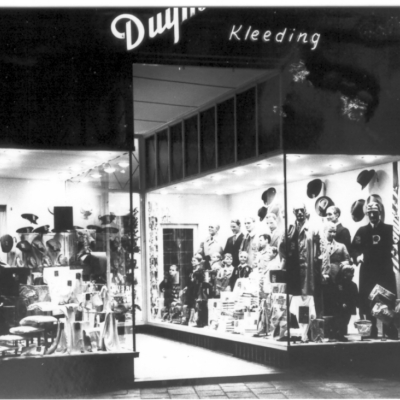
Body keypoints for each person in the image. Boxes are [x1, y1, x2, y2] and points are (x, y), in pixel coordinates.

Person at [351, 202, 397, 339]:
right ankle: (371, 330)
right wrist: (357, 256)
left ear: (380, 213)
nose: (372, 215)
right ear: (366, 214)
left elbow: (397, 246)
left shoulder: (390, 229)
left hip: (385, 270)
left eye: (375, 213)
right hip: (368, 272)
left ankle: (389, 329)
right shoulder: (362, 231)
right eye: (369, 213)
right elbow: (353, 248)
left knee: (387, 299)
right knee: (368, 299)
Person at [282, 203, 321, 298]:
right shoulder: (289, 229)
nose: (299, 212)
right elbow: (282, 246)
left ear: (305, 211)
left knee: (307, 292)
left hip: (308, 265)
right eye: (297, 211)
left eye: (302, 210)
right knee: (293, 292)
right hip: (293, 266)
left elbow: (320, 249)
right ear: (293, 212)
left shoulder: (313, 228)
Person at [320, 222, 351, 317]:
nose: (333, 234)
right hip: (322, 277)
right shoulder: (319, 245)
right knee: (323, 301)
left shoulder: (341, 246)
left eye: (334, 232)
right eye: (330, 231)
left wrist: (342, 264)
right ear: (325, 231)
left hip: (336, 278)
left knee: (335, 301)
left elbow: (348, 260)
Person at [335, 263, 359, 342]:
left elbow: (355, 296)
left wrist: (356, 304)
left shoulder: (353, 285)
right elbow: (338, 294)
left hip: (350, 306)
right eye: (350, 273)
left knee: (346, 320)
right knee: (342, 320)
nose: (352, 275)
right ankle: (340, 334)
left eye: (352, 273)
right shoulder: (340, 284)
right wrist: (342, 302)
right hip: (341, 305)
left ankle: (341, 334)